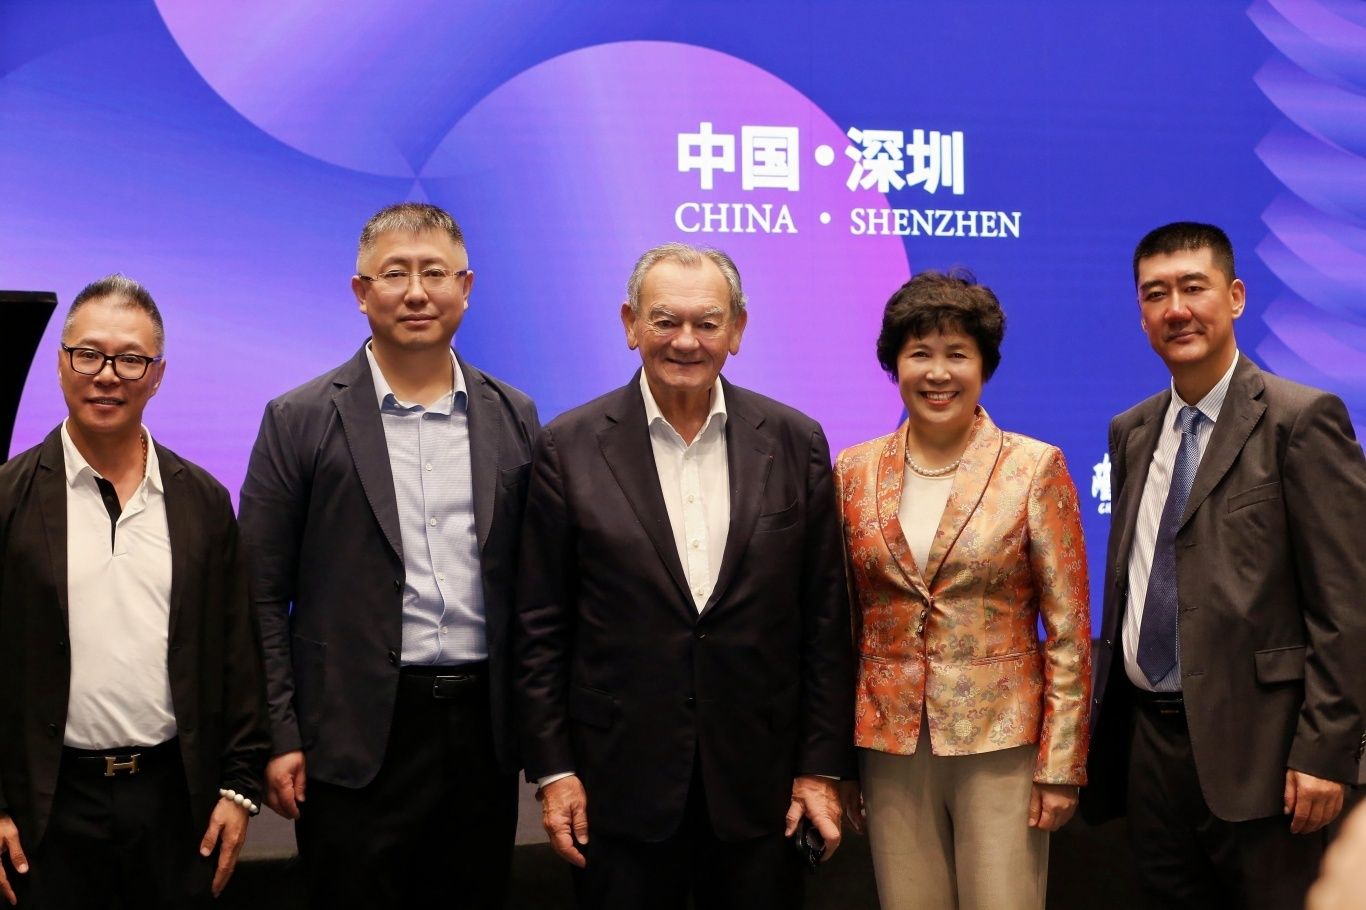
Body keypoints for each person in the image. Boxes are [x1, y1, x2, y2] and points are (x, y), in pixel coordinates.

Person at [514, 242, 855, 910]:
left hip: (762, 786)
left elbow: (824, 617)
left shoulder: (795, 440)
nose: (686, 341)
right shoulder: (568, 445)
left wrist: (819, 767)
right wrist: (554, 771)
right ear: (630, 324)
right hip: (617, 785)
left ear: (737, 330)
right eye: (665, 320)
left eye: (707, 322)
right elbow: (539, 625)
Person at [238, 203, 540, 907]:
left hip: (481, 731)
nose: (416, 292)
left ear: (466, 286)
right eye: (395, 273)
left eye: (435, 272)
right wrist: (279, 734)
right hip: (351, 734)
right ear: (360, 291)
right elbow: (259, 592)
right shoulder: (299, 418)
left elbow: (536, 586)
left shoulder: (514, 414)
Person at [1082, 222, 1366, 908]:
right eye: (1156, 294)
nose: (1175, 309)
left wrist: (1325, 752)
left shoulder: (1301, 420)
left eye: (1193, 287)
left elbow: (1348, 605)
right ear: (1141, 313)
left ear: (1235, 297)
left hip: (1266, 756)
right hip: (1151, 750)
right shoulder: (1131, 431)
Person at [0, 275, 269, 908]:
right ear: (61, 363)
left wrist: (239, 788)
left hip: (175, 803)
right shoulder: (8, 499)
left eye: (130, 359)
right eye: (88, 355)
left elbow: (238, 652)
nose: (106, 375)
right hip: (48, 806)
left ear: (157, 375)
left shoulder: (202, 501)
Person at [833, 270, 1091, 910]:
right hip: (890, 743)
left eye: (957, 354)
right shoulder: (853, 470)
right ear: (894, 364)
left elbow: (1068, 630)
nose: (938, 373)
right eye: (920, 353)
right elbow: (841, 621)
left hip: (1002, 742)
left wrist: (1061, 764)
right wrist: (836, 760)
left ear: (984, 366)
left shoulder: (1033, 467)